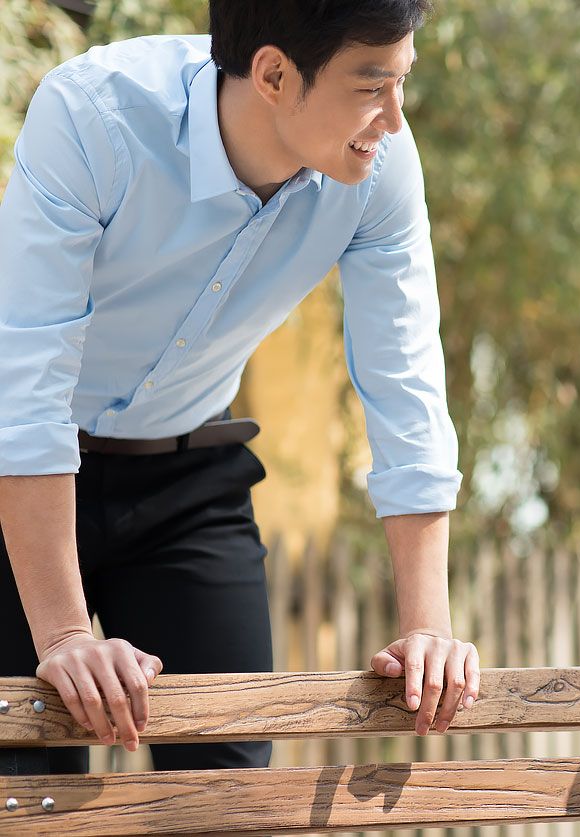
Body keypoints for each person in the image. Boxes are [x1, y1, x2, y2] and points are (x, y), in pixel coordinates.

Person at [0, 0, 479, 778]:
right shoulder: (92, 116)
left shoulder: (380, 169)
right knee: (27, 788)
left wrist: (428, 626)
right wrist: (63, 636)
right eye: (371, 86)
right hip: (19, 483)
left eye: (402, 84)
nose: (393, 118)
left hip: (188, 475)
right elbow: (25, 389)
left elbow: (408, 389)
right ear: (273, 73)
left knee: (231, 786)